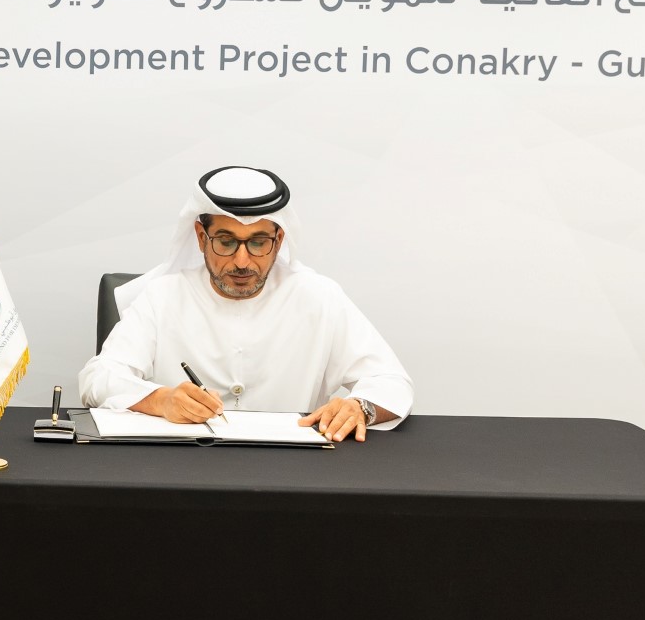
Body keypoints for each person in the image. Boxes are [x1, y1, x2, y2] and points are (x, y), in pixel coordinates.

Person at [78, 166, 412, 442]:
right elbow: (98, 378)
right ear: (201, 237)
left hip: (294, 470)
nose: (242, 261)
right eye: (226, 242)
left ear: (279, 240)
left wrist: (360, 407)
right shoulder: (163, 295)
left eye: (258, 242)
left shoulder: (319, 296)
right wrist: (160, 400)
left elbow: (391, 381)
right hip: (183, 466)